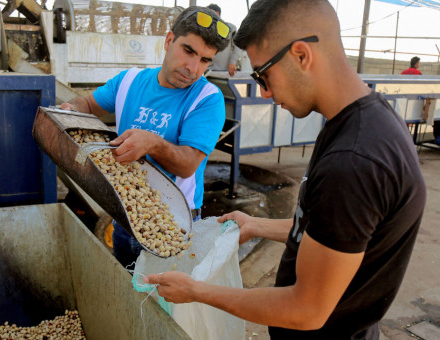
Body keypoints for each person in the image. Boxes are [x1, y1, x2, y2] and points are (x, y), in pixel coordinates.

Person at [145, 1, 426, 339]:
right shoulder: (365, 120)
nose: (264, 92)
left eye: (263, 75)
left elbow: (305, 310)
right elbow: (330, 230)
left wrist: (196, 291)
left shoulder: (354, 162)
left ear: (301, 55)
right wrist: (256, 225)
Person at [60, 6, 229, 269]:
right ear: (169, 40)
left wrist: (152, 143)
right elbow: (88, 104)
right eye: (188, 51)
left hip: (171, 226)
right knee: (126, 295)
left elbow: (187, 165)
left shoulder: (207, 99)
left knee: (163, 306)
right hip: (125, 215)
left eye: (205, 60)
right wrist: (71, 109)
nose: (193, 68)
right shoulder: (130, 80)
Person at [206, 4, 243, 76]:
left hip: (223, 72)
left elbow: (238, 45)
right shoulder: (204, 29)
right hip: (206, 72)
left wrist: (233, 61)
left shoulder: (230, 28)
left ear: (218, 13)